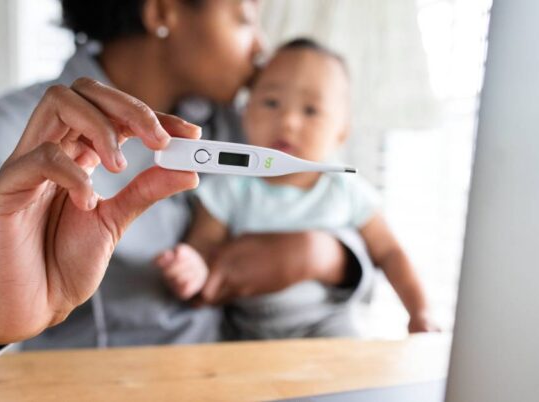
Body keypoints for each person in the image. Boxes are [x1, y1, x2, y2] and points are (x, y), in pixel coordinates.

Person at [0, 0, 375, 395]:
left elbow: (335, 209)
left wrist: (328, 254)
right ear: (163, 12)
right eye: (245, 18)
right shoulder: (19, 131)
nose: (261, 51)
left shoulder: (237, 124)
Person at [156, 39, 439, 339]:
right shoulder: (228, 186)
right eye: (271, 102)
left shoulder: (345, 190)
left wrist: (419, 312)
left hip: (329, 324)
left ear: (342, 130)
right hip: (246, 332)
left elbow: (390, 252)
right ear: (245, 111)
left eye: (311, 110)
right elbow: (203, 246)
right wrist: (191, 267)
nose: (288, 121)